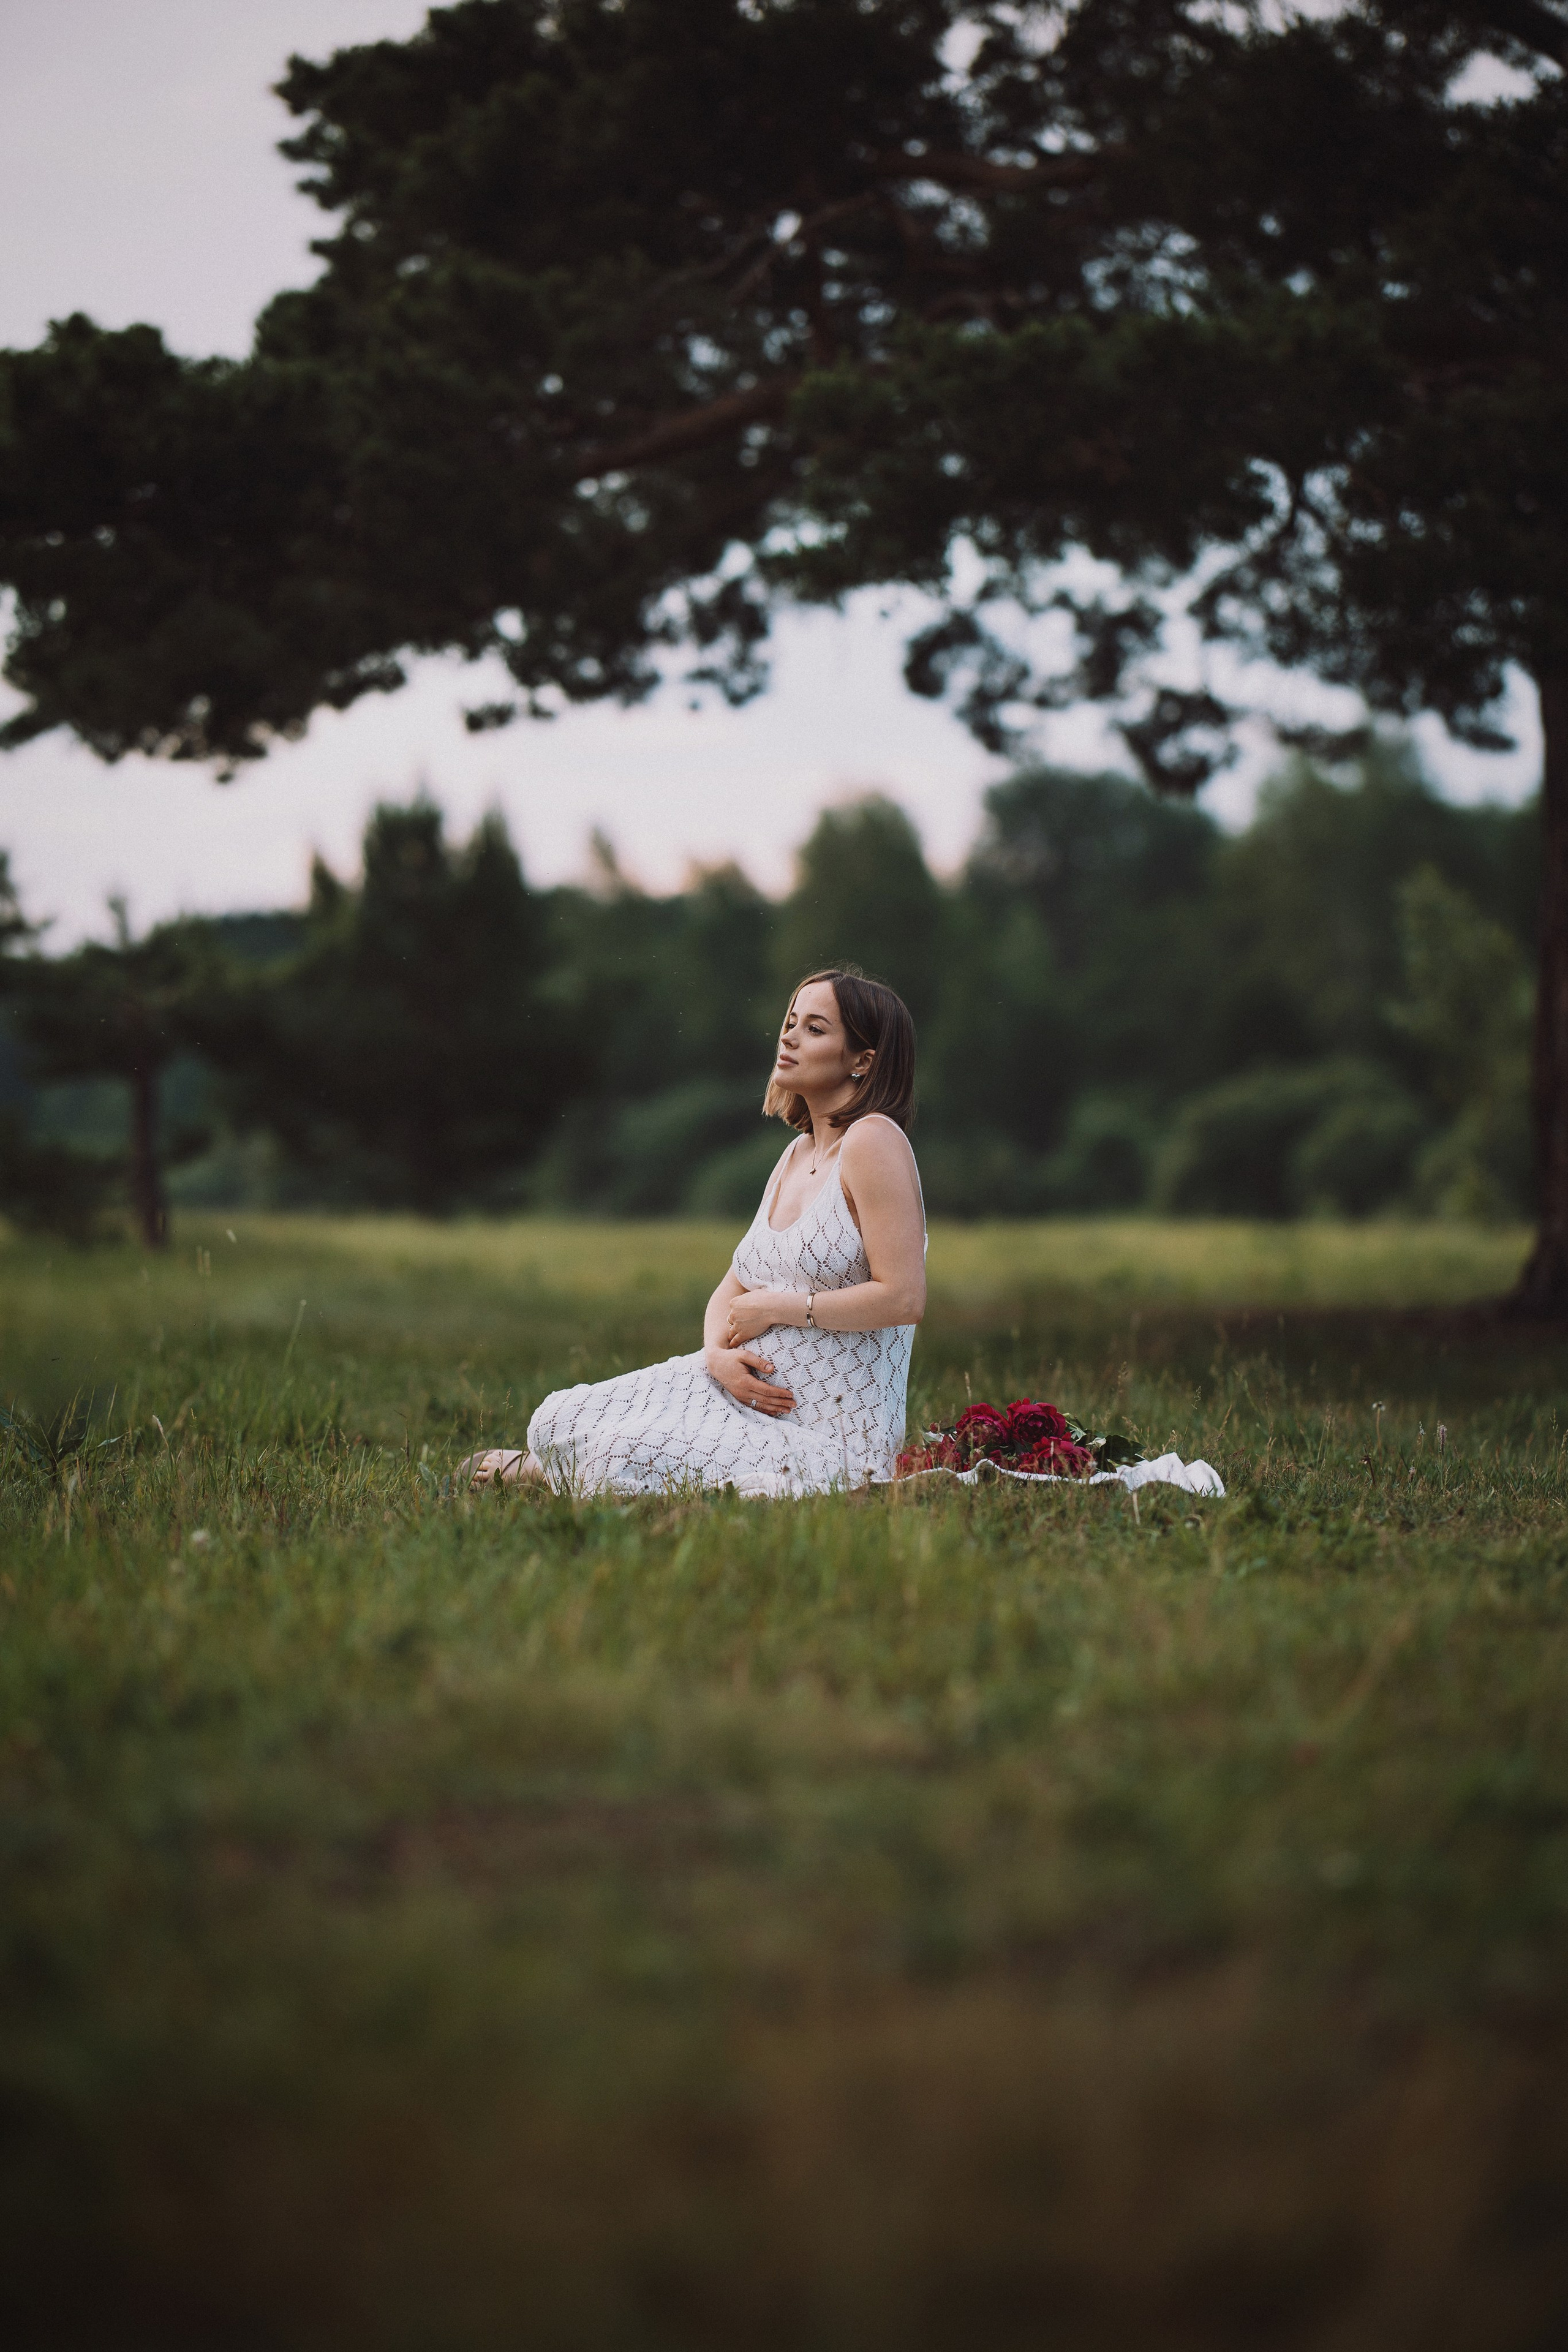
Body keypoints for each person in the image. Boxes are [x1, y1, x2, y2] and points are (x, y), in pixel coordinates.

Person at [462, 968, 926, 1497]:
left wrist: (779, 1308)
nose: (790, 1036)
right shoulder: (795, 1154)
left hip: (826, 1433)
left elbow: (904, 1297)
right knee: (555, 1418)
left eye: (815, 1029)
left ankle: (553, 1473)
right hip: (736, 1392)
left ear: (863, 1060)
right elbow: (733, 1286)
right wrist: (717, 1359)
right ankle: (568, 1464)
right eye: (791, 1021)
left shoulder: (874, 1142)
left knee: (611, 1453)